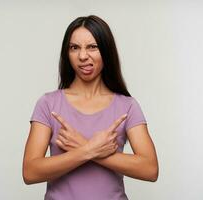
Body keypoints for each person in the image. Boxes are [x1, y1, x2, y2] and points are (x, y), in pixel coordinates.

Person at [22, 15, 159, 200]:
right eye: (74, 47)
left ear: (106, 51)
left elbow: (150, 169)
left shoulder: (127, 106)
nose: (82, 56)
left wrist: (85, 148)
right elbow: (30, 172)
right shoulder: (48, 104)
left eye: (92, 47)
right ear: (67, 53)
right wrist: (88, 150)